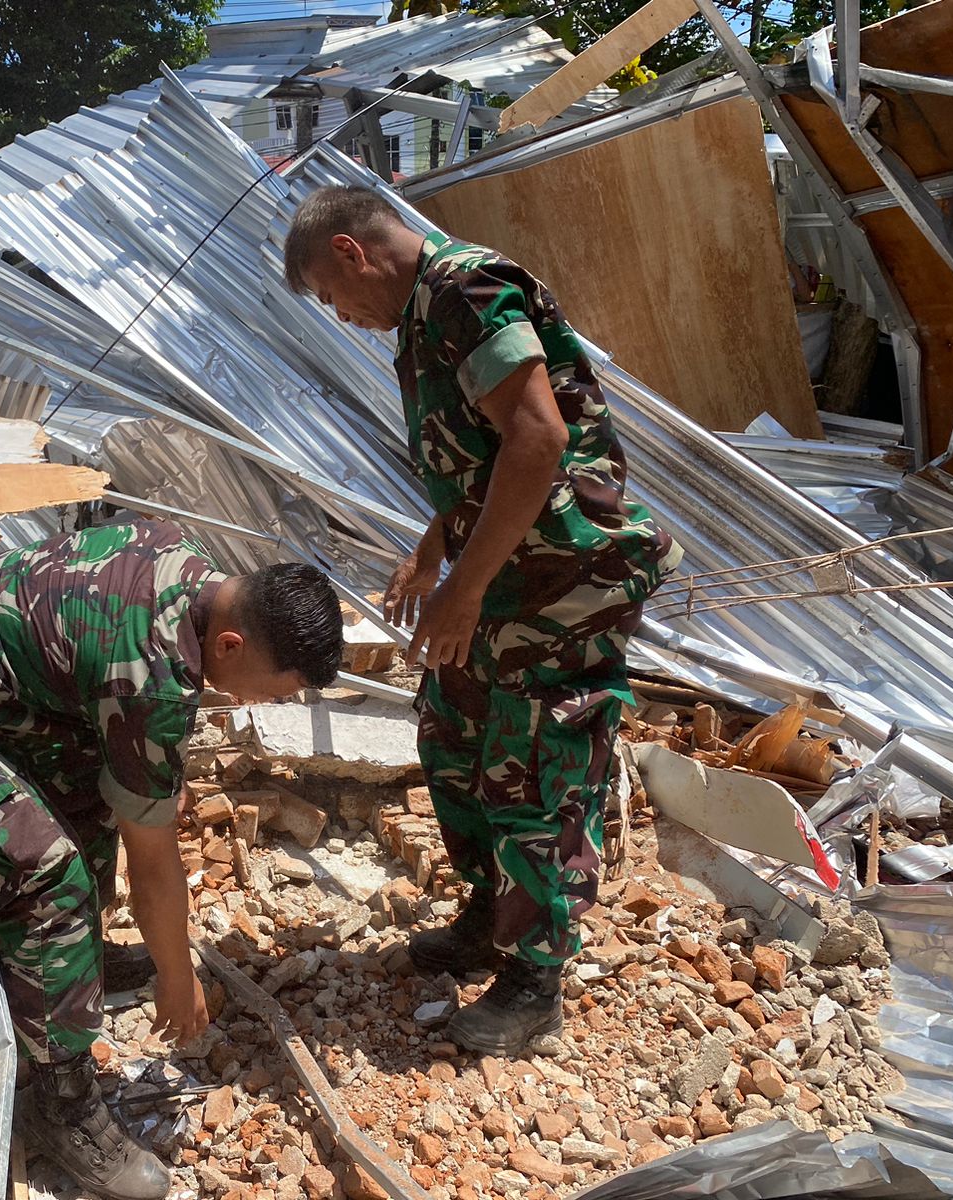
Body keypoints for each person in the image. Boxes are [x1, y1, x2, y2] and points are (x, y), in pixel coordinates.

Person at [0, 519, 343, 1200]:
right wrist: (177, 973)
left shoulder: (184, 560)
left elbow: (103, 694)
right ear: (230, 643)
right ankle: (59, 1100)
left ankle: (68, 963)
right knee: (48, 875)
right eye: (271, 689)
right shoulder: (151, 678)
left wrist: (150, 771)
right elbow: (154, 865)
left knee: (94, 792)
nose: (260, 703)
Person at [284, 186, 681, 1057]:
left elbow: (539, 441)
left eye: (332, 296)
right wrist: (436, 549)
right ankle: (482, 916)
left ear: (352, 252)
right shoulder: (422, 318)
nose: (343, 317)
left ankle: (535, 981)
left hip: (562, 580)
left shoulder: (465, 290)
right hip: (503, 574)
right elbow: (487, 454)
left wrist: (462, 584)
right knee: (456, 736)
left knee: (535, 765)